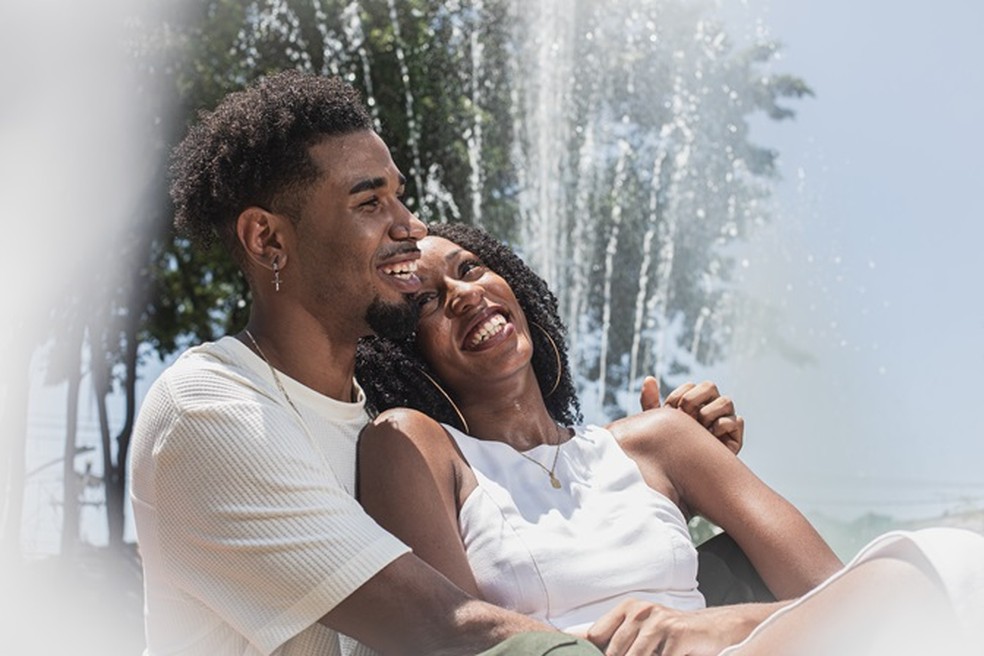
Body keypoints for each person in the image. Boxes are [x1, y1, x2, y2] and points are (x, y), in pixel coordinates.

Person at [128, 69, 737, 656]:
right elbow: (443, 631)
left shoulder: (375, 422)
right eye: (370, 203)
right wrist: (687, 637)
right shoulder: (214, 412)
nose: (411, 226)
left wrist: (651, 495)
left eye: (401, 197)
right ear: (269, 240)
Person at [355, 223, 984, 655]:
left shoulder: (658, 440)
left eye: (471, 269)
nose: (465, 296)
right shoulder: (414, 446)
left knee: (948, 565)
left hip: (729, 647)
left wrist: (705, 629)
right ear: (404, 351)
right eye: (429, 302)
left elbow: (835, 597)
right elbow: (453, 638)